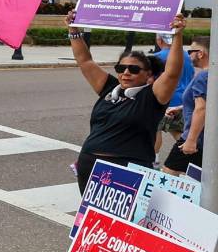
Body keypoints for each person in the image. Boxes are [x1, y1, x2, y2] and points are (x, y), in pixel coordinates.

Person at [67, 10, 186, 193]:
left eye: (134, 69)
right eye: (121, 68)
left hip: (127, 169)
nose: (126, 72)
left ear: (148, 75)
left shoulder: (152, 97)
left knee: (122, 221)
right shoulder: (109, 88)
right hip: (90, 164)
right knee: (92, 220)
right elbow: (84, 61)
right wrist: (74, 30)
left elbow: (172, 73)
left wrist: (177, 35)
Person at [163, 36, 208, 175]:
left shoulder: (203, 77)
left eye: (190, 51)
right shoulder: (212, 74)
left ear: (200, 53)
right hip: (207, 139)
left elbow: (202, 108)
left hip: (197, 138)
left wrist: (191, 140)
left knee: (169, 174)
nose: (189, 55)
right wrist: (181, 108)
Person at [152, 32, 195, 151]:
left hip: (163, 101)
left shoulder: (155, 58)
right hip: (183, 102)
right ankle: (189, 159)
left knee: (155, 132)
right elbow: (191, 76)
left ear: (159, 40)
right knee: (179, 132)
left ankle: (153, 162)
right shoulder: (187, 56)